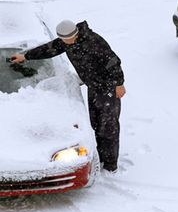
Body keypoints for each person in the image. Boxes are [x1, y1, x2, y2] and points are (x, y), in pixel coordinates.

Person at [11, 20, 126, 173]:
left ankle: (110, 166)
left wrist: (119, 83)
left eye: (68, 39)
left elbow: (113, 61)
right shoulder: (66, 42)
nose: (66, 42)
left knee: (108, 127)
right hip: (94, 87)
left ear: (75, 33)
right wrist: (26, 56)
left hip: (108, 87)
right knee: (97, 124)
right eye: (64, 40)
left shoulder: (93, 41)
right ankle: (102, 156)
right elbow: (49, 49)